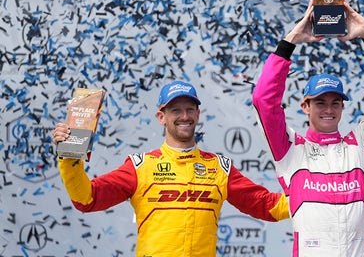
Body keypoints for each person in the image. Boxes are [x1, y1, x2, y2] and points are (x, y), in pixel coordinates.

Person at [51, 80, 289, 257]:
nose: (184, 116)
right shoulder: (140, 166)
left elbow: (268, 206)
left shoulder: (218, 168)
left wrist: (316, 194)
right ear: (161, 117)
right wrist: (69, 156)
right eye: (175, 110)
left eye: (189, 109)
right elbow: (87, 199)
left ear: (197, 114)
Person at [252, 0, 364, 257]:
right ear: (305, 107)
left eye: (335, 102)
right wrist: (290, 41)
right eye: (320, 103)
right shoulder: (290, 150)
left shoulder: (361, 145)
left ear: (343, 107)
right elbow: (264, 101)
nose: (329, 109)